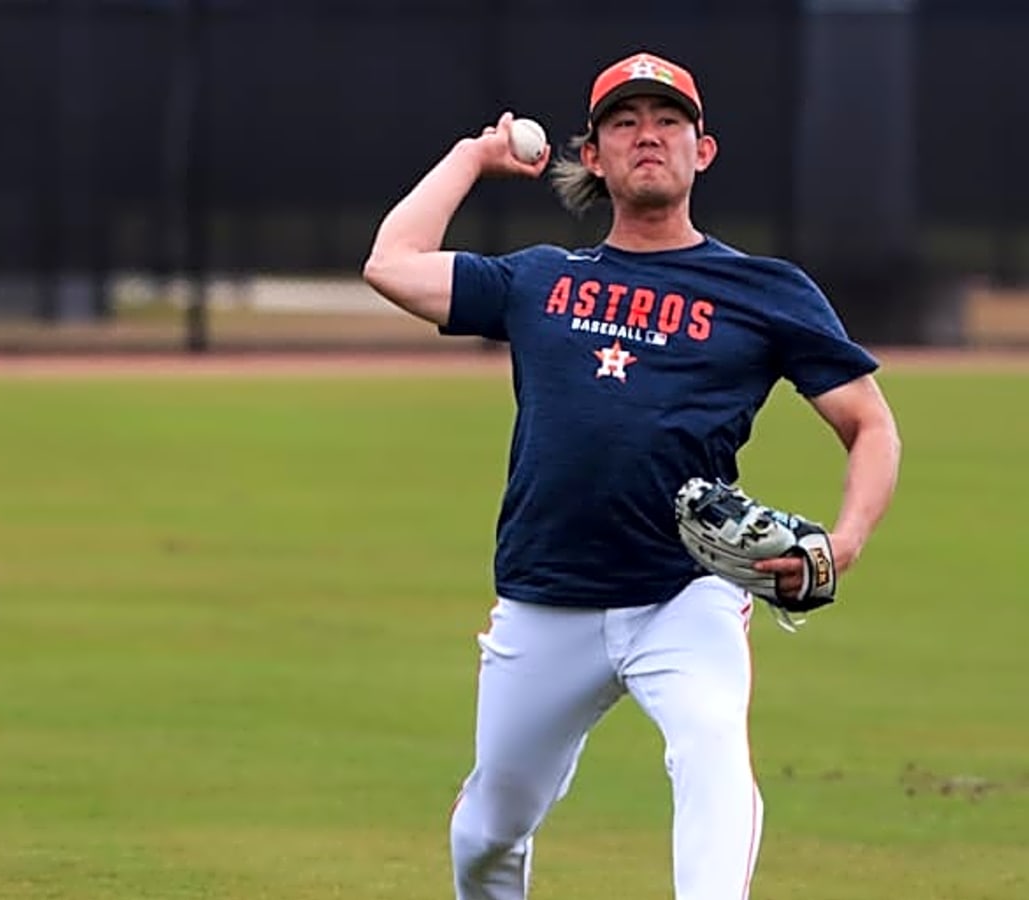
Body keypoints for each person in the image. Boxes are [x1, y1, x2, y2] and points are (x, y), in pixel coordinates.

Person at [361, 50, 902, 900]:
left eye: (668, 121)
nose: (647, 135)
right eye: (624, 123)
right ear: (597, 156)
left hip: (684, 591)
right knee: (488, 834)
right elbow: (390, 264)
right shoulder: (539, 280)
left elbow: (868, 423)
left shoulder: (765, 291)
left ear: (703, 150)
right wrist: (473, 156)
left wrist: (845, 542)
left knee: (712, 746)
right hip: (546, 597)